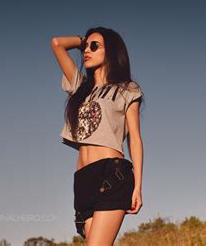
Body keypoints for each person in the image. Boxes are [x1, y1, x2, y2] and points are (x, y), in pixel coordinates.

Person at [51, 27, 144, 245]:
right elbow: (57, 43)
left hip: (112, 174)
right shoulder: (80, 87)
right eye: (86, 47)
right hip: (83, 179)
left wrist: (138, 186)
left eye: (95, 46)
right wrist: (83, 41)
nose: (87, 51)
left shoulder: (126, 89)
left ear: (110, 51)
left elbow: (135, 139)